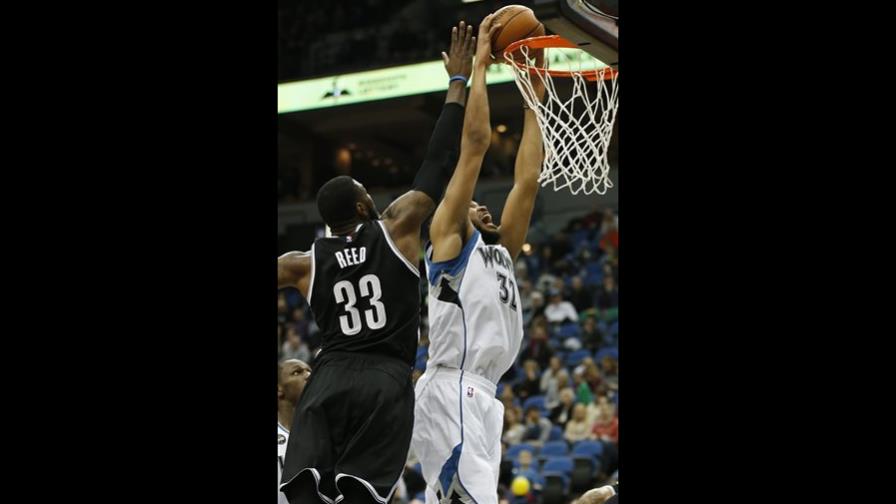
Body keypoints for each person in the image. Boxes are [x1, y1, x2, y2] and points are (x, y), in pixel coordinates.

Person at [277, 21, 476, 503]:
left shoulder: (304, 263)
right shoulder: (397, 227)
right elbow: (437, 162)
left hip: (328, 378)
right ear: (364, 208)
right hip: (384, 379)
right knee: (364, 495)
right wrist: (458, 82)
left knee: (304, 493)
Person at [410, 12, 547, 504]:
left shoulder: (501, 251)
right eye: (473, 202)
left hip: (485, 397)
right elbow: (474, 145)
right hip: (453, 388)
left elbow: (527, 180)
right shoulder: (448, 236)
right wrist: (482, 67)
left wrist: (535, 97)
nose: (483, 205)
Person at [277, 359, 312, 504]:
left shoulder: (330, 433)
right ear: (279, 389)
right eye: (297, 372)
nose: (309, 375)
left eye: (310, 370)